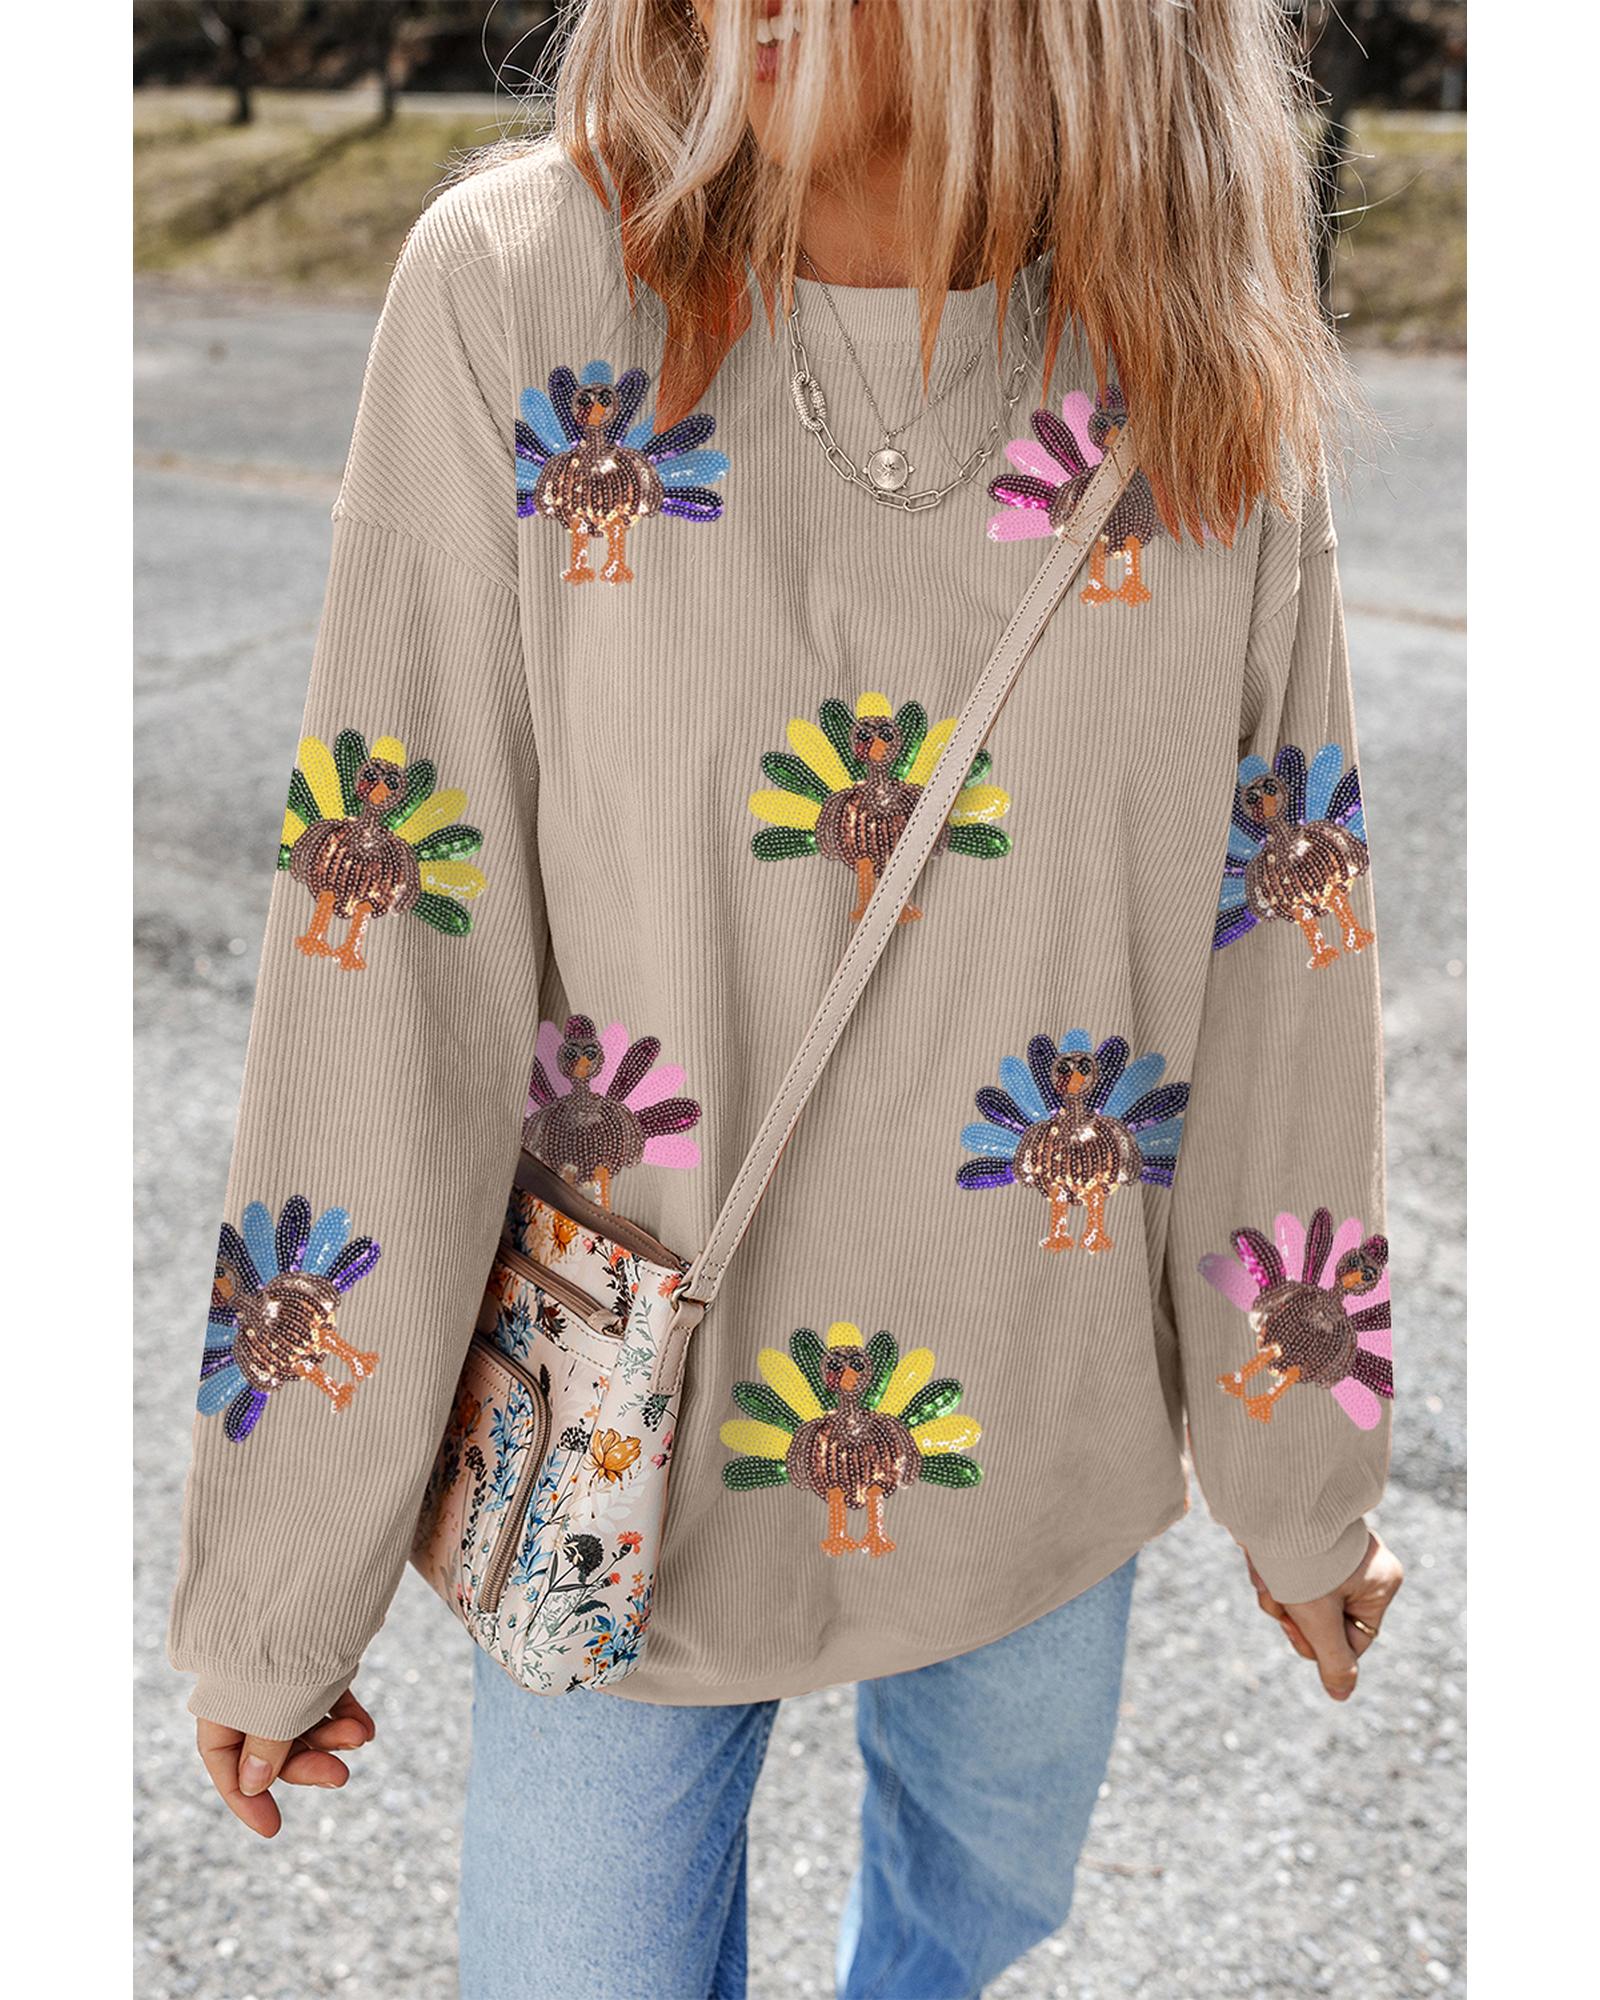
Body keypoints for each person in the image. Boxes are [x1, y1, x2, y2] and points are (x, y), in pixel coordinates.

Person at [169, 2, 1405, 1993]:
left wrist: (1304, 1481)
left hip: (1040, 1420)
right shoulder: (518, 294)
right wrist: (276, 1573)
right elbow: (385, 956)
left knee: (968, 1926)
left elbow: (1281, 951)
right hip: (622, 1462)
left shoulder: (1190, 352)